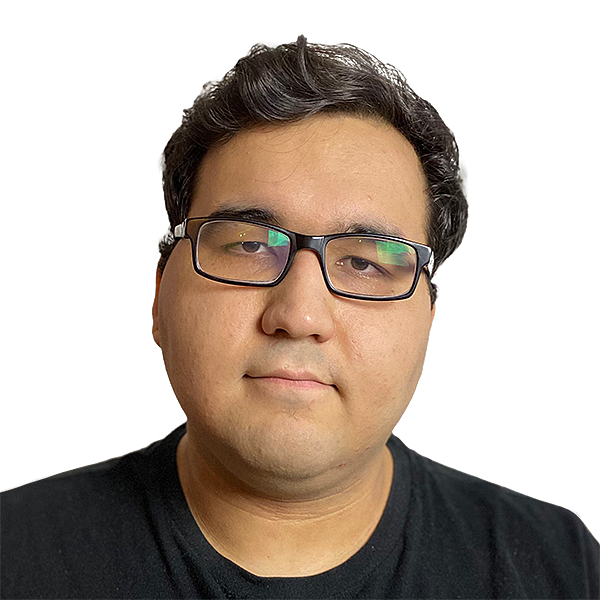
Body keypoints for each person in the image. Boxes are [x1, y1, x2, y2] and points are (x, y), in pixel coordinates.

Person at [1, 33, 598, 599]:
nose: (299, 314)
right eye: (249, 245)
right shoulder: (13, 555)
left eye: (365, 263)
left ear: (430, 320)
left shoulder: (560, 566)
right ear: (158, 294)